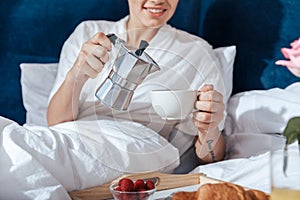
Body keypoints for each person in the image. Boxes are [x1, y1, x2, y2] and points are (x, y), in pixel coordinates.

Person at [47, 0, 226, 171]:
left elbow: (213, 158)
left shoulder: (196, 52)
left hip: (135, 152)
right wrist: (76, 75)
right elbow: (55, 122)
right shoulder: (89, 33)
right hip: (68, 140)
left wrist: (209, 128)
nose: (158, 1)